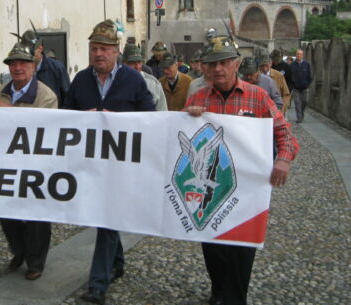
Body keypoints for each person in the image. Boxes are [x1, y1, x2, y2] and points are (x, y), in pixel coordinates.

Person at [186, 35, 299, 305]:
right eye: (212, 64)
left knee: (242, 249)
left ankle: (235, 298)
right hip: (210, 191)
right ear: (205, 68)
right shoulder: (199, 97)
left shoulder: (257, 97)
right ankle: (219, 289)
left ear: (236, 64)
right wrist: (185, 119)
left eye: (224, 63)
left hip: (247, 191)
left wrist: (283, 159)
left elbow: (285, 132)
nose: (218, 70)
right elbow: (183, 143)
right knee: (212, 246)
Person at [63, 19, 155, 305]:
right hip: (91, 166)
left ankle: (97, 286)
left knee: (107, 218)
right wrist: (82, 119)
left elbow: (150, 118)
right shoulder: (81, 80)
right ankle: (116, 263)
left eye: (103, 48)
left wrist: (121, 123)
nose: (98, 54)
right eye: (93, 48)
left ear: (116, 52)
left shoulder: (133, 79)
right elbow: (64, 119)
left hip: (121, 167)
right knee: (103, 217)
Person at [0, 40, 58, 281]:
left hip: (36, 164)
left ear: (33, 66)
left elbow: (44, 129)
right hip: (6, 163)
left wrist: (9, 114)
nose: (17, 68)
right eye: (13, 63)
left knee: (37, 215)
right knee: (5, 210)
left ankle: (35, 261)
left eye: (23, 63)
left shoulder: (46, 96)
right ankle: (19, 252)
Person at [21, 27, 71, 107]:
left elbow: (69, 99)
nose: (29, 56)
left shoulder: (57, 68)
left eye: (31, 52)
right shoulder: (21, 70)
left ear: (40, 48)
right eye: (25, 53)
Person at [122, 43, 167, 110]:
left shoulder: (154, 84)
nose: (137, 67)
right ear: (124, 63)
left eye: (139, 62)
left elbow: (163, 113)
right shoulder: (116, 82)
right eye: (133, 63)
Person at [291, 49, 312, 123]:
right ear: (296, 55)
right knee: (297, 103)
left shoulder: (307, 64)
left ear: (302, 55)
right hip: (296, 88)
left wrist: (307, 84)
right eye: (297, 54)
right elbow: (291, 76)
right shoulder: (292, 65)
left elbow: (309, 76)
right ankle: (299, 118)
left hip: (304, 88)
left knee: (305, 102)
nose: (298, 55)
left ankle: (301, 113)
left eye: (300, 54)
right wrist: (293, 84)